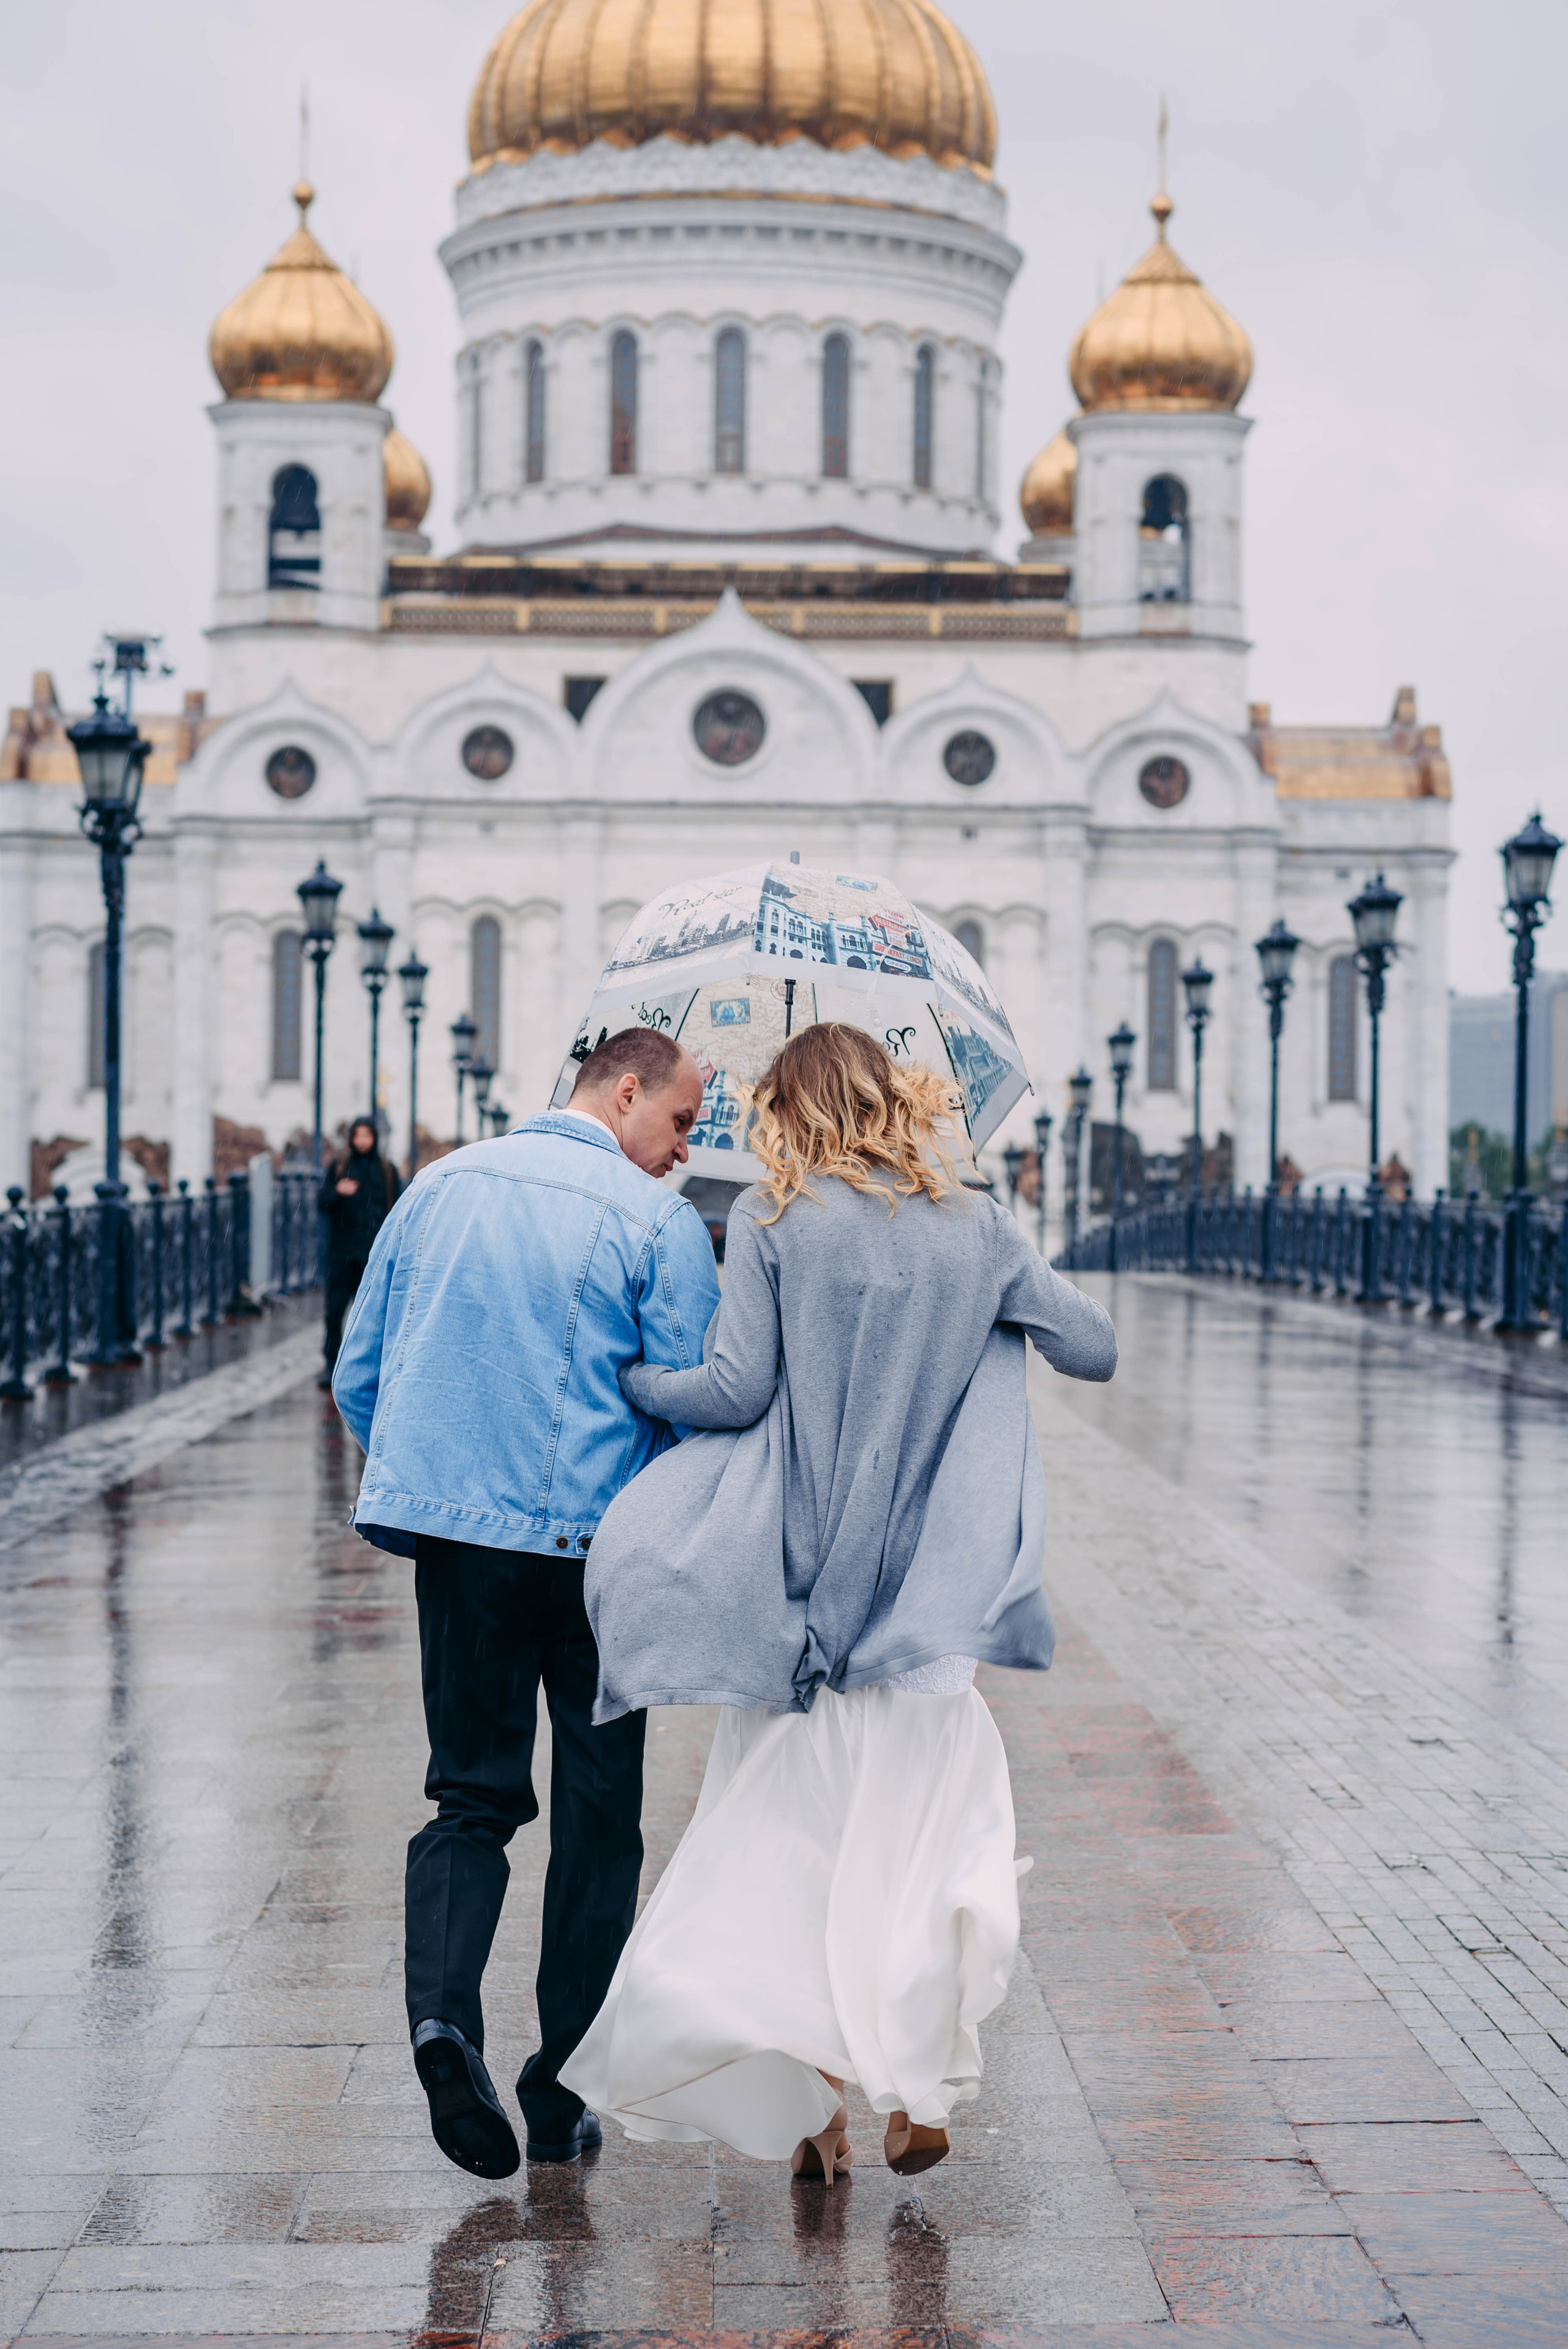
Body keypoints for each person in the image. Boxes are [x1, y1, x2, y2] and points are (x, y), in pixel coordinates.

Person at [562, 1024, 1117, 2183]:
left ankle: (817, 2108)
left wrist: (634, 1381)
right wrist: (991, 1305)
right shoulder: (978, 1224)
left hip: (804, 1603)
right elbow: (1096, 1347)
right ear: (896, 1093)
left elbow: (734, 1388)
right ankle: (914, 2082)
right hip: (927, 1614)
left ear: (789, 1110)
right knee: (915, 1854)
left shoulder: (772, 1219)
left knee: (788, 1858)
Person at [331, 1030, 720, 2179]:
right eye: (683, 1121)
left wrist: (436, 1486)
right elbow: (693, 1401)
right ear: (627, 1088)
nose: (683, 1149)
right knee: (600, 1822)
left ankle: (444, 2019)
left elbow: (361, 1370)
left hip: (461, 1548)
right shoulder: (658, 1224)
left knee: (469, 1792)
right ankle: (561, 2091)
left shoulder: (438, 1187)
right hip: (606, 1557)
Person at [317, 1118, 401, 1388]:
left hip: (371, 1255)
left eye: (367, 1135)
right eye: (358, 1136)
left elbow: (397, 1208)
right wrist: (337, 1192)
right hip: (341, 1254)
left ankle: (368, 1368)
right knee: (334, 1311)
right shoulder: (341, 1167)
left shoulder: (386, 1170)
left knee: (371, 1314)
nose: (362, 1141)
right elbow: (322, 1202)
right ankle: (332, 1364)